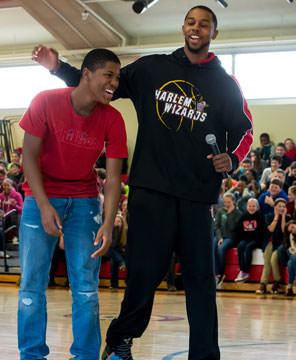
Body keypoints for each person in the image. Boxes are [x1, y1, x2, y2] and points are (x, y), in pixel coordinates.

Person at [33, 6, 254, 360]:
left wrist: (233, 157)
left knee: (200, 281)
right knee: (143, 274)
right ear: (183, 27)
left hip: (197, 196)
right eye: (191, 22)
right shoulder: (152, 68)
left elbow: (245, 130)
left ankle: (205, 355)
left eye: (205, 24)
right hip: (151, 192)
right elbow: (100, 84)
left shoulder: (225, 84)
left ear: (215, 33)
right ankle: (120, 340)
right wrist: (58, 68)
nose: (196, 28)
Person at [18, 48, 127, 360]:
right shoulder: (46, 101)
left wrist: (108, 222)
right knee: (32, 286)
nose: (114, 83)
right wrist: (43, 204)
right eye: (109, 75)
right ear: (86, 74)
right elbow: (28, 157)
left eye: (117, 78)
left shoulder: (113, 118)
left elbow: (114, 178)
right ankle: (32, 355)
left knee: (86, 288)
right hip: (40, 196)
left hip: (83, 201)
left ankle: (86, 355)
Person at [256, 198, 290, 295]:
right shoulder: (269, 216)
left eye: (284, 206)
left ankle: (277, 282)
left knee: (273, 260)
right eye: (279, 206)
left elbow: (284, 230)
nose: (282, 208)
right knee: (267, 262)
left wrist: (283, 216)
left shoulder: (287, 218)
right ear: (275, 207)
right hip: (269, 242)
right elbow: (270, 229)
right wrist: (276, 217)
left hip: (280, 243)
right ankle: (263, 284)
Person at [213, 193, 241, 289]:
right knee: (212, 245)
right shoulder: (220, 211)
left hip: (230, 237)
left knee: (221, 249)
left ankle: (220, 274)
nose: (226, 204)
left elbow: (234, 228)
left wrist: (229, 214)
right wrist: (220, 237)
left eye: (228, 202)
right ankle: (215, 272)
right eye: (225, 202)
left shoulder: (237, 213)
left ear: (233, 201)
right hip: (221, 235)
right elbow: (216, 226)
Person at [234, 198, 266, 282]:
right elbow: (239, 229)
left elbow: (262, 231)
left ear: (257, 207)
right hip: (246, 239)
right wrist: (243, 238)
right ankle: (242, 270)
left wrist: (251, 236)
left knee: (248, 247)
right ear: (247, 207)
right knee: (240, 246)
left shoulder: (260, 216)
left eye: (253, 206)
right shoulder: (244, 216)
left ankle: (246, 271)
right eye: (250, 206)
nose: (251, 208)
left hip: (257, 240)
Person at [108, 213, 127, 289]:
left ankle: (114, 284)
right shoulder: (110, 232)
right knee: (113, 259)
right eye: (115, 222)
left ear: (122, 223)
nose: (116, 223)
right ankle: (121, 262)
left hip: (123, 253)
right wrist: (115, 230)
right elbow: (113, 245)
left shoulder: (126, 231)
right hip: (113, 253)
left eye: (118, 221)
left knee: (114, 258)